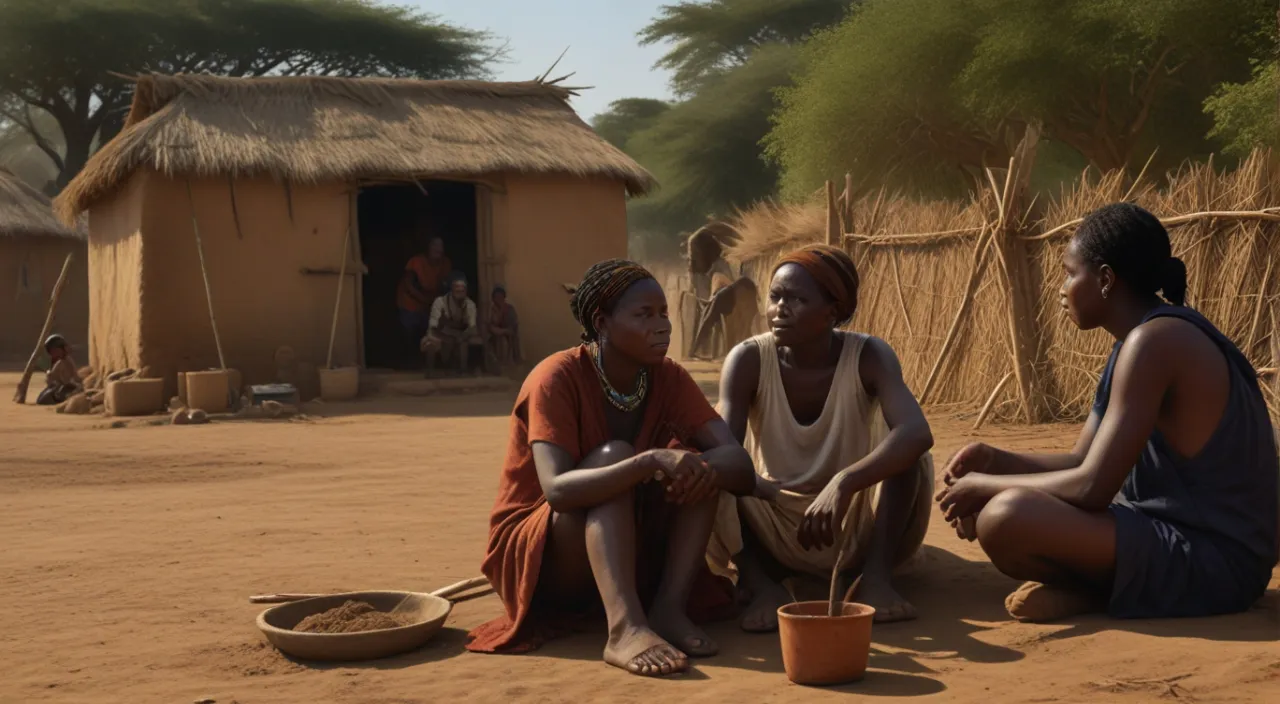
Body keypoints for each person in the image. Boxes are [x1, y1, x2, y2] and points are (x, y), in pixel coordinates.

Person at [936, 203, 1279, 623]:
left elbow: (1092, 488)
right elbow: (1082, 460)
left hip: (1216, 564)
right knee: (1007, 514)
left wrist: (984, 487)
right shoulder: (1134, 344)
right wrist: (998, 460)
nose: (1061, 288)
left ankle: (1096, 591)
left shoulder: (1156, 343)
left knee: (1005, 518)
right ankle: (1100, 590)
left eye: (1069, 272)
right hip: (1172, 538)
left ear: (1104, 280)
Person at [466, 259, 757, 677]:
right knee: (616, 458)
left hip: (625, 540)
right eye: (643, 315)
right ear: (602, 322)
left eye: (663, 314)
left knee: (697, 470)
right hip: (544, 552)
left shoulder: (667, 378)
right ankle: (624, 627)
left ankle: (668, 610)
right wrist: (649, 461)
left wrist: (692, 466)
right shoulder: (556, 378)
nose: (663, 327)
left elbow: (738, 465)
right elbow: (557, 491)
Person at [710, 244, 935, 629]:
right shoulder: (747, 359)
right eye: (776, 297)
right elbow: (726, 453)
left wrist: (845, 482)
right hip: (771, 519)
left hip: (850, 520)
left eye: (797, 299)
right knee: (709, 460)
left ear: (833, 311)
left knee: (910, 453)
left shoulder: (868, 355)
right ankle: (759, 583)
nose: (781, 309)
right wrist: (765, 490)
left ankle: (875, 579)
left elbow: (917, 432)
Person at [421, 273, 481, 376]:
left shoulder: (470, 305)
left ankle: (465, 370)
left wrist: (461, 337)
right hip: (440, 333)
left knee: (474, 341)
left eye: (463, 288)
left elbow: (472, 327)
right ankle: (430, 371)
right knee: (430, 343)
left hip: (460, 334)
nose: (460, 290)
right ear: (451, 288)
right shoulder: (440, 302)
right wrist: (447, 338)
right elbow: (433, 326)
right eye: (457, 287)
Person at [397, 237, 452, 346]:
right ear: (427, 248)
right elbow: (409, 285)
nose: (437, 249)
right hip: (411, 301)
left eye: (440, 246)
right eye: (434, 245)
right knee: (410, 329)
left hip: (431, 301)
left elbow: (446, 285)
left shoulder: (445, 263)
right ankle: (408, 355)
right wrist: (425, 300)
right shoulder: (416, 262)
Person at [484, 285, 522, 370]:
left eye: (500, 296)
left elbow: (513, 324)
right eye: (496, 297)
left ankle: (512, 361)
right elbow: (491, 324)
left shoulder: (510, 309)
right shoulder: (491, 309)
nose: (498, 299)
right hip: (496, 333)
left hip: (509, 332)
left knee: (511, 338)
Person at [37, 334, 82, 406]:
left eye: (55, 351)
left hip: (67, 389)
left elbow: (72, 378)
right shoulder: (60, 362)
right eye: (51, 352)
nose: (53, 354)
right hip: (59, 388)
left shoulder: (67, 361)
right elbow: (53, 377)